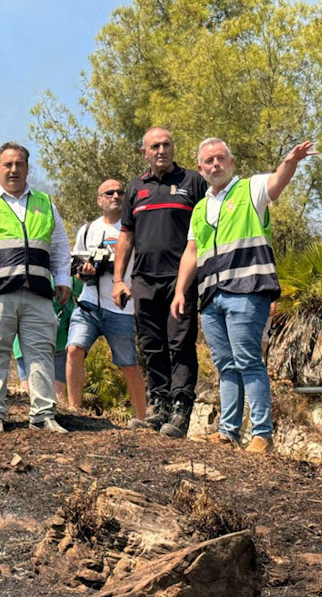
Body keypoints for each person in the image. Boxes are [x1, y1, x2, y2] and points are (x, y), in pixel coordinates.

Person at [170, 137, 315, 452]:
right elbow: (191, 252)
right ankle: (228, 433)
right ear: (200, 169)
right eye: (208, 161)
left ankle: (262, 434)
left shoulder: (251, 188)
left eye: (220, 158)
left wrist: (290, 162)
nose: (215, 165)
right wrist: (181, 290)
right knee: (225, 365)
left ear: (231, 162)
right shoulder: (199, 208)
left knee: (248, 360)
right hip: (211, 297)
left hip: (247, 291)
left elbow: (277, 183)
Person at [0, 141, 72, 436]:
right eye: (8, 164)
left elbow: (59, 247)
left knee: (41, 352)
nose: (14, 169)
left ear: (27, 168)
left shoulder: (44, 203)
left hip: (38, 293)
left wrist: (64, 280)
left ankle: (44, 413)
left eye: (19, 164)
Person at [112, 127, 207, 438]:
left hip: (181, 281)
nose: (161, 150)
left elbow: (208, 227)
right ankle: (158, 406)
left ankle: (181, 408)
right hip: (144, 280)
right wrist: (118, 280)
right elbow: (126, 236)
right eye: (155, 146)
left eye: (166, 145)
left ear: (173, 148)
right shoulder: (135, 188)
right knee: (152, 346)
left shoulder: (192, 182)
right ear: (144, 152)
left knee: (180, 343)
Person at [65, 179, 148, 427]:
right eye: (109, 192)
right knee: (73, 350)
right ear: (99, 200)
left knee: (128, 364)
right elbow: (76, 268)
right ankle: (74, 411)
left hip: (121, 308)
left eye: (120, 192)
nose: (115, 196)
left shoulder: (133, 229)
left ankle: (142, 419)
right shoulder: (87, 230)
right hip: (89, 303)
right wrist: (87, 271)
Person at [13, 275, 81, 402]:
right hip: (27, 342)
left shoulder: (68, 275)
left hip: (59, 344)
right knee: (27, 392)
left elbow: (83, 293)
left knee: (57, 395)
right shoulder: (28, 271)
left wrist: (80, 276)